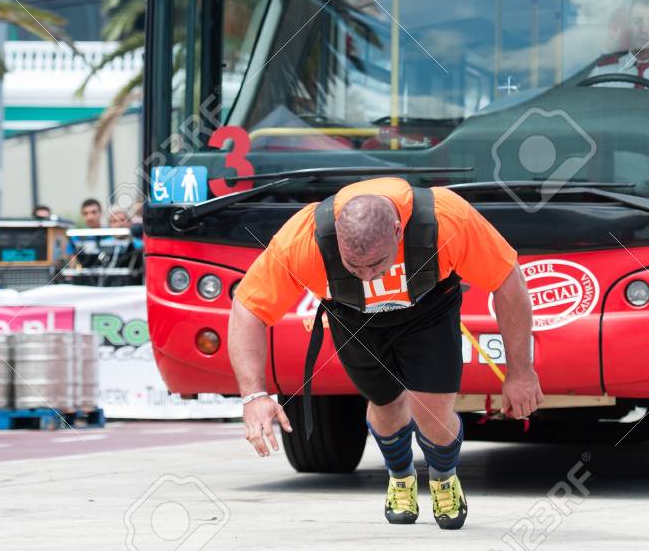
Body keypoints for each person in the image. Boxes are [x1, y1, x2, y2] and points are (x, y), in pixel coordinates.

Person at [228, 177, 543, 530]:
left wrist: (520, 371)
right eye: (353, 267)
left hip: (429, 312)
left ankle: (443, 476)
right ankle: (400, 475)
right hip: (354, 319)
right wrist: (253, 395)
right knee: (387, 407)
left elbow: (507, 280)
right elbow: (248, 307)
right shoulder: (303, 239)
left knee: (434, 416)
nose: (366, 277)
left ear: (398, 230)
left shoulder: (448, 218)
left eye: (375, 264)